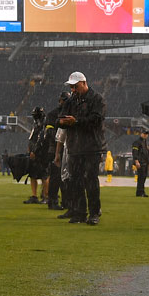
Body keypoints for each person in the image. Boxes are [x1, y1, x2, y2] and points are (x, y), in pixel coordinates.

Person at [57, 71, 105, 225]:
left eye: (75, 86)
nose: (73, 90)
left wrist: (75, 121)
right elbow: (60, 118)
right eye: (71, 87)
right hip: (75, 147)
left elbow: (96, 119)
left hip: (92, 147)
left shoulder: (97, 99)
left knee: (90, 180)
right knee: (75, 181)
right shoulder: (71, 101)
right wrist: (63, 122)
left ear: (84, 83)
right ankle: (80, 212)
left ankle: (94, 213)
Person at [24, 106, 49, 204]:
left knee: (44, 175)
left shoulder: (43, 124)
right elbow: (33, 138)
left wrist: (34, 150)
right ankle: (35, 196)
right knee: (33, 175)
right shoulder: (37, 124)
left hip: (41, 153)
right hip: (35, 152)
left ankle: (46, 196)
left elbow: (41, 138)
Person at [132, 128, 149, 197]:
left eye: (147, 134)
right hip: (140, 162)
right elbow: (135, 153)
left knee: (144, 177)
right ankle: (140, 192)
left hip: (145, 162)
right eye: (145, 134)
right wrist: (136, 161)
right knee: (141, 178)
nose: (146, 135)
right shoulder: (137, 142)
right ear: (141, 133)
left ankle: (141, 191)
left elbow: (147, 153)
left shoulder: (146, 142)